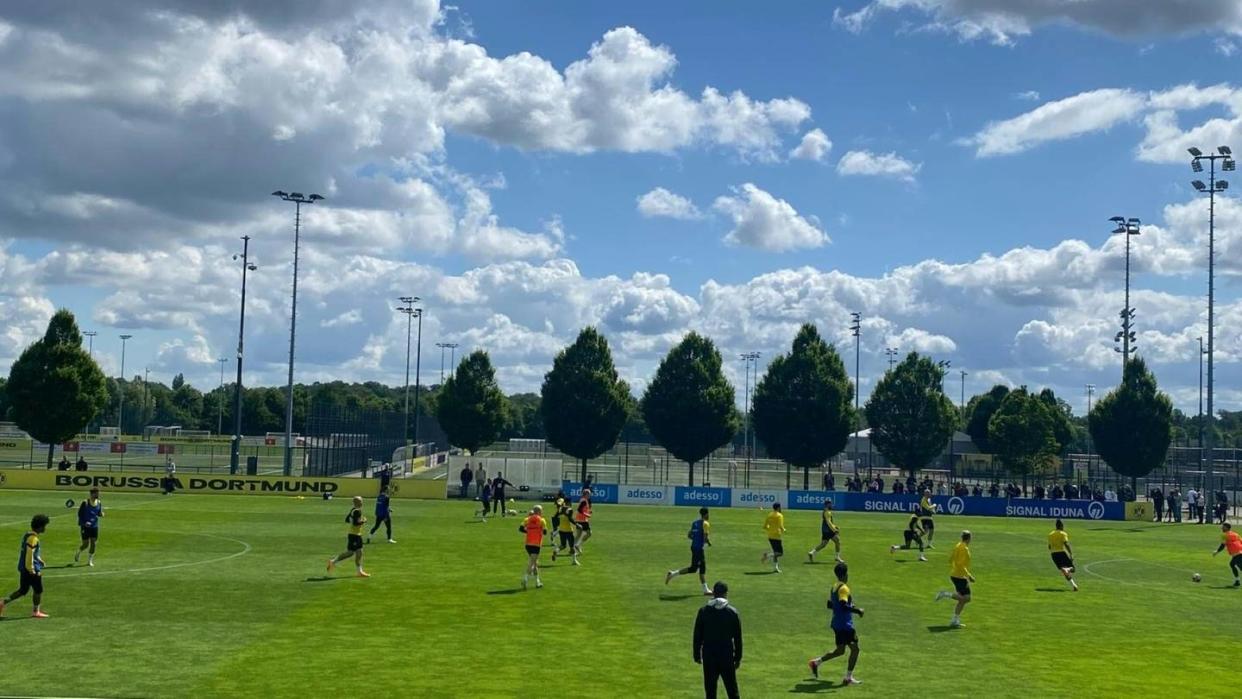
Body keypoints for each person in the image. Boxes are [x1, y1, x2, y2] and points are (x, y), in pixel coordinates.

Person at [807, 561, 864, 686]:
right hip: (845, 625)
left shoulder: (835, 586)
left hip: (837, 623)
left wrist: (849, 605)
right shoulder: (843, 588)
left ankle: (816, 663)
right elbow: (843, 605)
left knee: (840, 650)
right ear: (845, 575)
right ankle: (848, 678)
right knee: (855, 649)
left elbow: (831, 604)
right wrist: (857, 610)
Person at [693, 581, 742, 699]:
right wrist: (738, 657)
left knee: (710, 691)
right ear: (726, 594)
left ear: (713, 593)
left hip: (709, 655)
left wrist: (697, 655)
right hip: (727, 655)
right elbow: (738, 638)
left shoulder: (704, 611)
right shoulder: (732, 612)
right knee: (732, 690)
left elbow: (697, 635)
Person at [0, 514, 51, 619]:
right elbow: (29, 554)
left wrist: (39, 560)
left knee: (23, 590)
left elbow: (31, 553)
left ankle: (3, 602)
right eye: (44, 526)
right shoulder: (33, 539)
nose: (45, 528)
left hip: (24, 568)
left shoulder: (27, 535)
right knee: (38, 590)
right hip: (31, 569)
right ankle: (36, 611)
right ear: (40, 527)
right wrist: (31, 569)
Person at [667, 507, 712, 595]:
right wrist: (708, 543)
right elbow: (705, 537)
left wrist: (696, 539)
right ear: (706, 514)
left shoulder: (695, 523)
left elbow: (689, 535)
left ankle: (706, 590)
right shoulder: (706, 524)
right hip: (699, 549)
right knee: (694, 569)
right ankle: (673, 573)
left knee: (700, 568)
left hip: (694, 547)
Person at [934, 530, 975, 628]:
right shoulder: (964, 548)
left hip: (956, 574)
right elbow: (961, 564)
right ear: (969, 538)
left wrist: (954, 568)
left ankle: (954, 620)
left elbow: (951, 559)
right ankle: (945, 594)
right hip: (960, 576)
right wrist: (969, 575)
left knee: (962, 600)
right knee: (967, 598)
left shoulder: (958, 545)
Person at [326, 496, 370, 578]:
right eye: (360, 501)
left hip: (357, 534)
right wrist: (364, 521)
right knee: (350, 553)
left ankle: (359, 572)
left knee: (359, 552)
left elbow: (347, 519)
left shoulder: (353, 510)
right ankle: (333, 561)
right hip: (354, 535)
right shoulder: (357, 511)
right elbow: (356, 523)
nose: (362, 503)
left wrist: (355, 520)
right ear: (357, 503)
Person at [518, 505, 549, 590]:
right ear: (539, 511)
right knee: (532, 563)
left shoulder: (527, 519)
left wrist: (528, 531)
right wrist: (539, 531)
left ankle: (537, 582)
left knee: (535, 563)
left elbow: (520, 529)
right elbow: (545, 532)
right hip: (536, 544)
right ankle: (525, 578)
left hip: (528, 544)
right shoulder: (542, 520)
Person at [75, 487, 104, 567]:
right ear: (92, 494)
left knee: (93, 543)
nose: (98, 495)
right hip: (85, 526)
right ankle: (79, 552)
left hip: (94, 526)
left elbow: (98, 513)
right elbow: (80, 514)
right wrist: (85, 522)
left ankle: (89, 561)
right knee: (85, 544)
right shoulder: (85, 502)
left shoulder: (99, 502)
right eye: (97, 493)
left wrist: (101, 514)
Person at [1047, 519, 1078, 591]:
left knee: (1064, 572)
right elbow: (1066, 543)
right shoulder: (1063, 533)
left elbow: (1049, 547)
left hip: (1053, 554)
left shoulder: (1050, 534)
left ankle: (1074, 585)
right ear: (1061, 525)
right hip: (1061, 553)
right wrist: (1071, 553)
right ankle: (1067, 569)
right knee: (1072, 569)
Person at [808, 499, 842, 563]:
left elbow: (828, 522)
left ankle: (812, 552)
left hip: (825, 530)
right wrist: (834, 530)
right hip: (829, 530)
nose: (831, 505)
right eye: (830, 504)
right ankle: (837, 557)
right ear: (828, 504)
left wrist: (835, 526)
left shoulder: (825, 511)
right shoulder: (827, 512)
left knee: (823, 544)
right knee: (838, 541)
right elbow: (828, 522)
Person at [1213, 522, 1242, 587]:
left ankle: (1237, 581)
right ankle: (1237, 581)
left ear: (1226, 527)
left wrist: (1217, 551)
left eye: (1223, 527)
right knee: (1232, 564)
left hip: (1237, 553)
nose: (1222, 528)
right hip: (1239, 552)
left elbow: (1223, 545)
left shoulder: (1225, 535)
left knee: (1237, 566)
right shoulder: (1235, 534)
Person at [760, 503, 786, 573]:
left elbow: (765, 526)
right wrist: (784, 530)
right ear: (778, 508)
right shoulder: (780, 515)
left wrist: (770, 529)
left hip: (770, 536)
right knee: (780, 553)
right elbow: (781, 526)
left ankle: (775, 568)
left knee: (775, 552)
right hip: (777, 536)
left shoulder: (769, 515)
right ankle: (767, 556)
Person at [552, 492, 575, 561]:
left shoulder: (560, 509)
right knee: (572, 547)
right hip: (569, 530)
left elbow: (556, 516)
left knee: (563, 545)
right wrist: (577, 524)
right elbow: (570, 519)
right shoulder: (570, 510)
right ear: (569, 502)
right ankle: (574, 561)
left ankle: (556, 551)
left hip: (561, 529)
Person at [572, 488, 593, 564]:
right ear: (586, 494)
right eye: (589, 494)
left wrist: (588, 511)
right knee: (589, 533)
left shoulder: (584, 500)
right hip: (582, 520)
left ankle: (575, 546)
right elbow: (579, 510)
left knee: (578, 535)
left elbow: (582, 510)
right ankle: (576, 545)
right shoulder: (584, 501)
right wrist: (587, 514)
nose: (590, 495)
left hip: (580, 520)